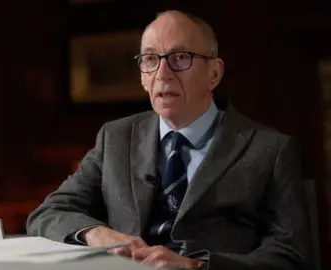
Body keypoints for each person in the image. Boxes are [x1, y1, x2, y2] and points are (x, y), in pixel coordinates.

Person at [26, 10, 311, 270]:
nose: (163, 74)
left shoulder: (268, 150)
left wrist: (196, 266)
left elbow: (290, 255)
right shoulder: (115, 138)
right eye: (150, 59)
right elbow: (49, 213)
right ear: (142, 76)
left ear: (214, 73)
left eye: (180, 58)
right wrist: (96, 233)